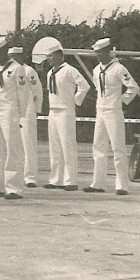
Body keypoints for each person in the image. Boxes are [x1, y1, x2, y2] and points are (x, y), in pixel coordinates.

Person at [87, 38, 139, 195]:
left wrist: (121, 100)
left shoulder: (119, 68)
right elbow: (98, 89)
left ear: (108, 52)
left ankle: (122, 185)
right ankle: (98, 183)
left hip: (114, 111)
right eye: (96, 52)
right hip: (100, 110)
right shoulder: (96, 70)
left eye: (101, 52)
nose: (99, 55)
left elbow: (133, 87)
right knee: (98, 146)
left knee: (118, 148)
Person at [0, 37, 30, 200]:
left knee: (13, 149)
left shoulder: (17, 69)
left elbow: (23, 93)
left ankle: (14, 188)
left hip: (9, 111)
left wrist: (20, 115)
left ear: (4, 52)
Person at [42, 39, 90, 190]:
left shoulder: (70, 70)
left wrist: (75, 101)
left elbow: (84, 86)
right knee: (55, 147)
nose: (48, 59)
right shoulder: (50, 73)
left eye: (50, 56)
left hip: (65, 111)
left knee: (67, 146)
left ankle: (70, 181)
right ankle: (55, 180)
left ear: (59, 55)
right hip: (53, 111)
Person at [8, 47, 44, 188]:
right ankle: (18, 175)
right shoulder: (10, 71)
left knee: (29, 145)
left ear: (20, 57)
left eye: (14, 56)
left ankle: (30, 177)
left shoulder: (29, 71)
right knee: (15, 145)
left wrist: (36, 109)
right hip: (15, 112)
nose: (12, 59)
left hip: (28, 111)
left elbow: (37, 90)